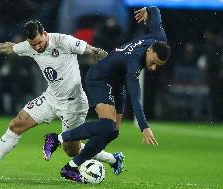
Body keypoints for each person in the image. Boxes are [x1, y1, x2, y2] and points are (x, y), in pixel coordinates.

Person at [0, 20, 125, 177]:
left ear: (45, 34)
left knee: (71, 151)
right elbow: (8, 48)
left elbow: (95, 51)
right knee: (17, 124)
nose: (37, 47)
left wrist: (111, 66)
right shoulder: (31, 46)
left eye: (39, 42)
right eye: (33, 44)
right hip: (51, 98)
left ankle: (113, 159)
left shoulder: (64, 41)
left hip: (73, 104)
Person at [43, 6, 171, 183]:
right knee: (107, 126)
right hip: (100, 77)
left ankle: (70, 168)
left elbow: (156, 11)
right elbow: (135, 96)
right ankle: (55, 139)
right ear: (148, 51)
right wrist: (144, 126)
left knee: (113, 132)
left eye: (158, 65)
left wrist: (147, 10)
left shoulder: (159, 37)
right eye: (153, 62)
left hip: (116, 82)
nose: (153, 67)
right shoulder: (135, 60)